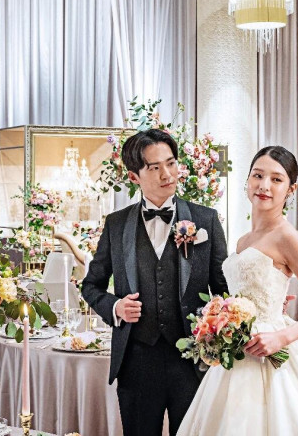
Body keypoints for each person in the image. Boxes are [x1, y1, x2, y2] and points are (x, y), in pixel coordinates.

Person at [176, 146, 298, 435]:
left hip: (272, 350)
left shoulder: (287, 237)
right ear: (247, 181)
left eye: (276, 179)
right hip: (239, 350)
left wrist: (282, 337)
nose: (264, 185)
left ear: (290, 190)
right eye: (258, 175)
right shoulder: (243, 240)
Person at [81, 129, 228, 436]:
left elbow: (223, 289)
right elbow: (91, 285)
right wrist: (116, 307)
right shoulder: (116, 224)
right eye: (154, 167)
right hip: (136, 360)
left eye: (171, 163)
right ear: (134, 176)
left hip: (192, 361)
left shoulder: (206, 220)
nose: (167, 174)